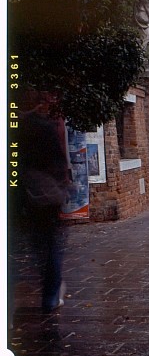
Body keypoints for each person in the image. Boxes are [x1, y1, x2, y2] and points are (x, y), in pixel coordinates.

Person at [17, 98, 71, 312]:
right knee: (52, 247)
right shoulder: (47, 128)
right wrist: (64, 186)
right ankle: (50, 297)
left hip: (23, 194)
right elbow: (58, 163)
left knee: (32, 246)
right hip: (46, 195)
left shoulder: (17, 129)